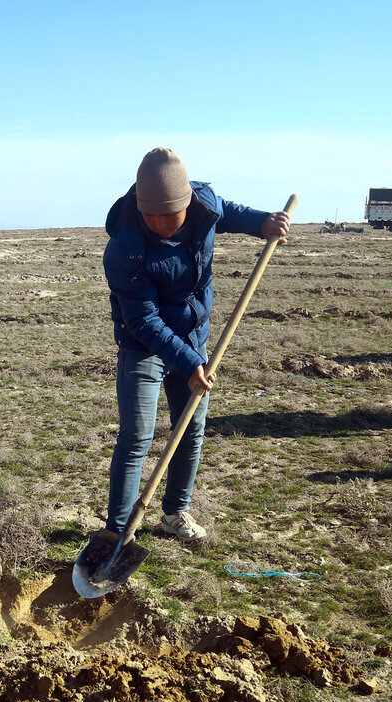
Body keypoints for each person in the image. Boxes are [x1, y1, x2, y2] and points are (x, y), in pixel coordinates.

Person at [102, 147, 289, 542]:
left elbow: (230, 211)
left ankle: (175, 513)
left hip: (193, 334)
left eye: (170, 216)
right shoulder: (124, 244)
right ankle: (119, 530)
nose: (160, 225)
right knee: (136, 435)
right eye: (151, 216)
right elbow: (143, 318)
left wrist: (262, 223)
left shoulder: (204, 203)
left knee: (190, 429)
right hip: (144, 344)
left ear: (187, 202)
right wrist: (189, 363)